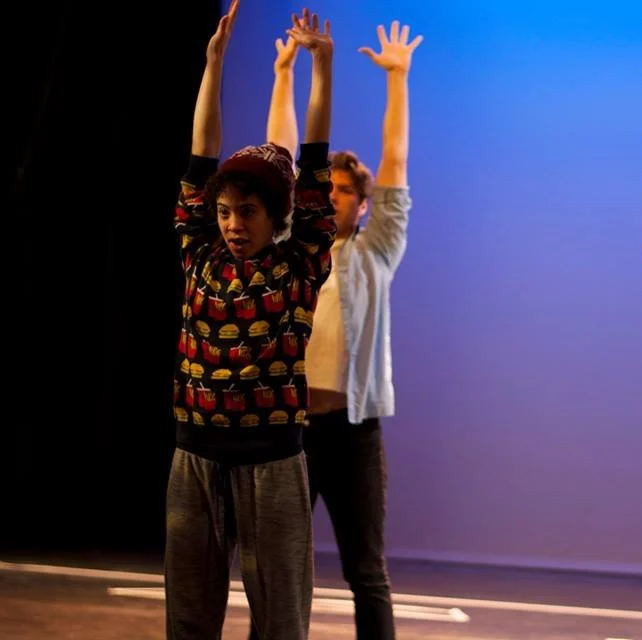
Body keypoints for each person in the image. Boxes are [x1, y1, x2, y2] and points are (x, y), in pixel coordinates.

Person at [164, 3, 337, 638]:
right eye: (227, 212)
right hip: (195, 455)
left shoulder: (300, 266)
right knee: (188, 617)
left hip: (272, 459)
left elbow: (314, 163)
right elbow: (198, 158)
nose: (235, 225)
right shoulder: (198, 254)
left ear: (277, 216)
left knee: (281, 620)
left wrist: (323, 68)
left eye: (249, 213)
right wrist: (212, 64)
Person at [247, 18, 421, 640]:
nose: (338, 197)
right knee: (275, 569)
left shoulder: (375, 250)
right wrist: (285, 74)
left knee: (366, 572)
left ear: (363, 203)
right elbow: (279, 160)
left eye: (348, 191)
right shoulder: (294, 244)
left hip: (354, 432)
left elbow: (395, 161)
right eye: (331, 189)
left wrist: (397, 80)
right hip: (290, 431)